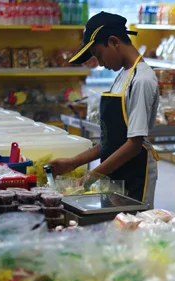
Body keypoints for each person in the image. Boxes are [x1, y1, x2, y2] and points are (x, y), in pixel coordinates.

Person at [50, 12, 159, 206]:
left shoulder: (141, 80)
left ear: (114, 41)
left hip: (135, 175)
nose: (100, 63)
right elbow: (113, 141)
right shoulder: (122, 76)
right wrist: (74, 162)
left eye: (98, 55)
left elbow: (133, 144)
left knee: (130, 228)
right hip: (115, 174)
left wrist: (90, 177)